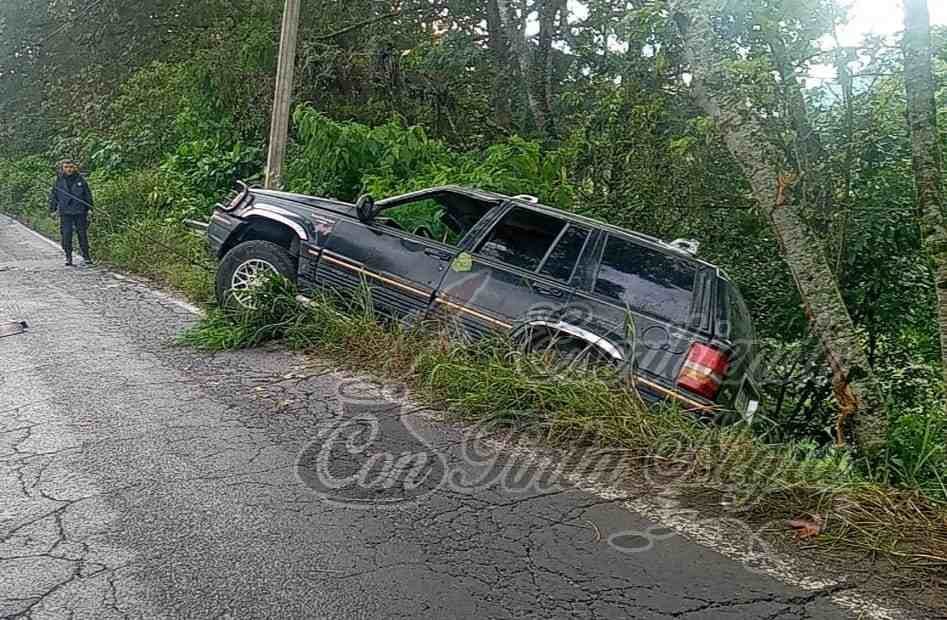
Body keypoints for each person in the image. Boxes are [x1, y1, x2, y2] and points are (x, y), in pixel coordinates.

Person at [49, 159, 94, 267]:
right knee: (66, 235)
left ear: (75, 168)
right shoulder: (59, 181)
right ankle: (68, 257)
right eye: (66, 167)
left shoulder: (81, 180)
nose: (69, 169)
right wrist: (52, 210)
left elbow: (88, 195)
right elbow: (54, 197)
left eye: (71, 167)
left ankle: (86, 256)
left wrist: (90, 208)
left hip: (80, 212)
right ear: (63, 168)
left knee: (82, 235)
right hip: (65, 212)